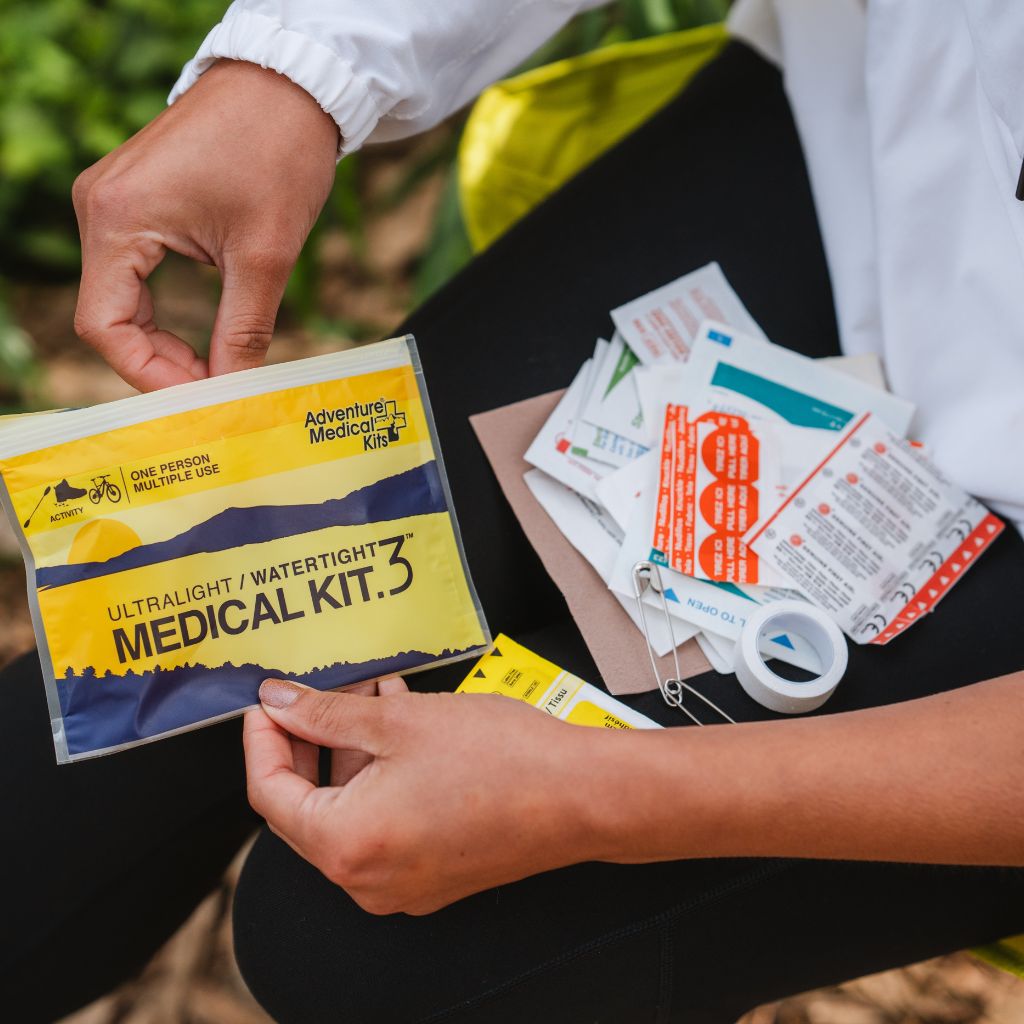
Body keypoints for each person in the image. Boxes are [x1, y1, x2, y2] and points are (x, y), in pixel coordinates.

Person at [4, 1, 1024, 1022]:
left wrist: (608, 795)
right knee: (139, 645)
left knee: (357, 939)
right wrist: (298, 68)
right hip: (869, 138)